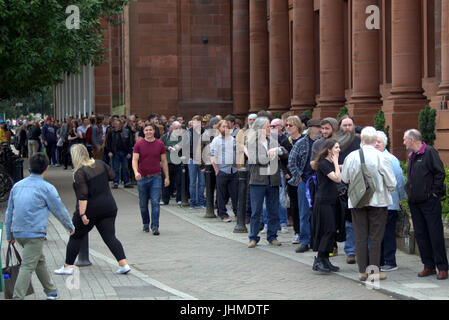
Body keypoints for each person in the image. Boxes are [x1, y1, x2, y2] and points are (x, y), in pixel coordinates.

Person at [5, 153, 75, 300]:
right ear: (46, 168)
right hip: (34, 233)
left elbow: (9, 212)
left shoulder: (17, 186)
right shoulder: (47, 188)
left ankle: (51, 291)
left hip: (18, 232)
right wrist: (69, 226)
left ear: (29, 168)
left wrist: (9, 235)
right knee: (28, 266)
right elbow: (59, 209)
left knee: (39, 260)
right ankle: (17, 297)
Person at [54, 144, 130, 276]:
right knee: (110, 236)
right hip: (108, 206)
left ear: (75, 156)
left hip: (90, 210)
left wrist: (82, 214)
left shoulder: (80, 172)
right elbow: (112, 176)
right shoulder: (100, 164)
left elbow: (83, 196)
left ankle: (67, 267)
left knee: (75, 236)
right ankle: (123, 264)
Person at [341, 126, 396, 281]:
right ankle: (374, 272)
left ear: (362, 139)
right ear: (374, 139)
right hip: (378, 201)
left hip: (357, 201)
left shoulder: (351, 156)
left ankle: (362, 272)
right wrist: (387, 192)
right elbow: (391, 182)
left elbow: (344, 179)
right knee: (375, 237)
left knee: (360, 236)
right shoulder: (381, 157)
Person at [403, 129, 448, 280]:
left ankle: (442, 267)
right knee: (421, 235)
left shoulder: (429, 152)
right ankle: (428, 265)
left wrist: (433, 193)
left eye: (405, 139)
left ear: (413, 140)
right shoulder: (413, 156)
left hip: (430, 202)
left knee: (435, 234)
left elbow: (440, 173)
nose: (403, 142)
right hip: (415, 202)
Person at [246, 117, 288, 248]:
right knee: (256, 211)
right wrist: (274, 154)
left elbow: (286, 153)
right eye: (268, 126)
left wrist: (278, 150)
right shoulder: (252, 143)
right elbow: (258, 159)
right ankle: (253, 237)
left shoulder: (273, 140)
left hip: (273, 180)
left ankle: (272, 236)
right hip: (258, 181)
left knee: (273, 210)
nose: (271, 129)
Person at [288, 119, 322, 253]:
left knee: (319, 213)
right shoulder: (302, 143)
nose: (320, 130)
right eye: (318, 127)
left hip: (321, 182)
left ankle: (316, 240)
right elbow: (291, 161)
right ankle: (305, 240)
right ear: (310, 128)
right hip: (305, 182)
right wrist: (299, 176)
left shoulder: (323, 143)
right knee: (304, 212)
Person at [376, 130, 406, 272]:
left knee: (387, 234)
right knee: (378, 234)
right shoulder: (372, 157)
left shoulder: (391, 159)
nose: (376, 144)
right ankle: (380, 260)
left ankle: (390, 261)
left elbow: (399, 180)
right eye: (374, 141)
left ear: (385, 144)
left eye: (379, 142)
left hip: (389, 204)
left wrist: (400, 198)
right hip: (376, 204)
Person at [310, 139, 342, 273]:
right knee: (328, 229)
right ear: (329, 150)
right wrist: (336, 162)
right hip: (323, 201)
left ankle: (325, 259)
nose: (339, 150)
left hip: (332, 200)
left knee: (332, 230)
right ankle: (318, 259)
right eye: (336, 147)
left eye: (339, 147)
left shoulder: (329, 163)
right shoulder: (324, 164)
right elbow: (337, 178)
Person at [132, 123, 170, 235]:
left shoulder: (160, 144)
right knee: (143, 204)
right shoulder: (139, 144)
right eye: (146, 130)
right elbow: (134, 160)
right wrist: (135, 172)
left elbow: (164, 161)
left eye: (150, 130)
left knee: (155, 202)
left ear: (154, 131)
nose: (148, 132)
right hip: (142, 177)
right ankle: (145, 223)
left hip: (156, 177)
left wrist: (167, 177)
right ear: (143, 132)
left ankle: (155, 226)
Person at [336, 115, 361, 264]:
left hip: (357, 184)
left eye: (349, 125)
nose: (347, 128)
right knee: (347, 221)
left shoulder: (358, 141)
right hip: (341, 184)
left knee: (357, 219)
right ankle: (350, 251)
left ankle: (359, 250)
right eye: (344, 125)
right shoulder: (336, 142)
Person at [210, 120, 239, 222]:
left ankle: (237, 213)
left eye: (227, 127)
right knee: (221, 194)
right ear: (219, 128)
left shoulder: (233, 139)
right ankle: (223, 214)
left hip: (234, 170)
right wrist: (217, 170)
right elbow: (212, 155)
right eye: (223, 127)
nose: (225, 129)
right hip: (222, 169)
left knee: (235, 193)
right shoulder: (216, 140)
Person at [283, 116, 303, 244]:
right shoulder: (286, 141)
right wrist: (285, 172)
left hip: (302, 177)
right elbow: (282, 160)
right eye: (287, 125)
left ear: (297, 126)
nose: (288, 127)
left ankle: (306, 231)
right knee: (294, 205)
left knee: (305, 206)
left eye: (291, 125)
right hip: (290, 178)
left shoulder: (304, 140)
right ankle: (297, 232)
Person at [106, 119, 134, 189]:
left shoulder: (127, 131)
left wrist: (130, 153)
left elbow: (130, 143)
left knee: (125, 168)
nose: (116, 126)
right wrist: (109, 151)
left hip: (125, 153)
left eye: (117, 125)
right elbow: (108, 143)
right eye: (115, 125)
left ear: (121, 125)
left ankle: (126, 182)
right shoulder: (111, 132)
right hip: (115, 153)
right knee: (116, 168)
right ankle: (116, 182)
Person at [161, 121, 183, 205]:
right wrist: (168, 148)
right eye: (176, 128)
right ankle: (165, 199)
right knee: (166, 181)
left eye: (179, 128)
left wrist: (180, 146)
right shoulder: (166, 136)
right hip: (168, 162)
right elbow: (161, 145)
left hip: (178, 162)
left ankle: (179, 199)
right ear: (172, 128)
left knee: (179, 182)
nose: (178, 130)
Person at [188, 115, 206, 209]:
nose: (195, 124)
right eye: (193, 121)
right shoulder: (189, 133)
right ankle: (192, 202)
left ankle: (201, 202)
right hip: (192, 159)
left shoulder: (204, 132)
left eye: (197, 122)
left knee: (202, 182)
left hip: (202, 160)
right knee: (193, 182)